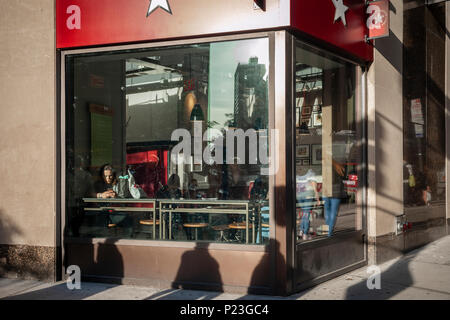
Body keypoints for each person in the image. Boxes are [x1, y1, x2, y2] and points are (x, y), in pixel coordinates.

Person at [296, 169, 321, 240]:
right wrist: (317, 196)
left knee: (304, 214)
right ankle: (305, 233)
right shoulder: (310, 173)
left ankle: (301, 230)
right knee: (306, 214)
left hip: (299, 196)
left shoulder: (297, 174)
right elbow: (313, 184)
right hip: (308, 196)